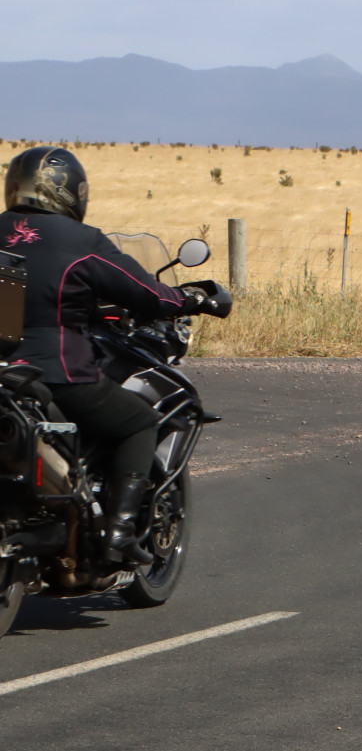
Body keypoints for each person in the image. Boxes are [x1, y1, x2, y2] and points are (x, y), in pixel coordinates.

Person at [3, 146, 227, 560]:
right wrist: (196, 299)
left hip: (6, 377)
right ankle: (119, 534)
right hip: (58, 374)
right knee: (139, 422)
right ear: (70, 191)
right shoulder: (82, 241)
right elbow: (148, 294)